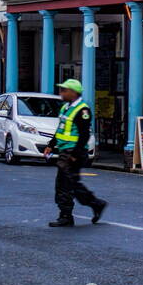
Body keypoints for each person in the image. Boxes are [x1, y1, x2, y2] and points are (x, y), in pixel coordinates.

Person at [43, 79, 107, 228]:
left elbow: (84, 134)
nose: (61, 93)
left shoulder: (82, 110)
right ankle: (95, 204)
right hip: (65, 150)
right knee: (69, 184)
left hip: (73, 152)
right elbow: (61, 129)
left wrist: (75, 154)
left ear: (73, 92)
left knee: (64, 184)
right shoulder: (66, 107)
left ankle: (66, 216)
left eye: (64, 90)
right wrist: (51, 145)